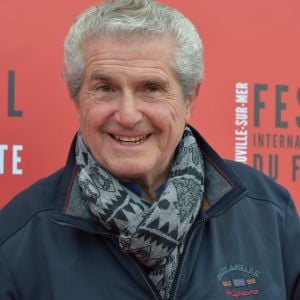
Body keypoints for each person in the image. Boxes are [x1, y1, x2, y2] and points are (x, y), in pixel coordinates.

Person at [0, 0, 299, 299]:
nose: (128, 115)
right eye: (105, 88)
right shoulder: (16, 239)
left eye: (151, 88)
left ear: (189, 99)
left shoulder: (269, 213)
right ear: (77, 98)